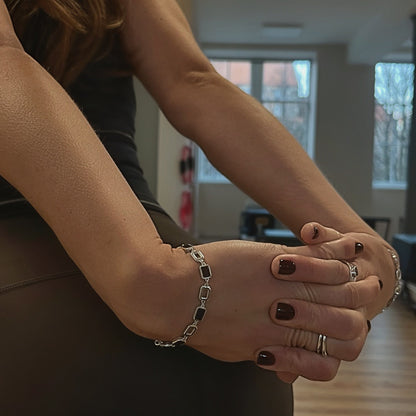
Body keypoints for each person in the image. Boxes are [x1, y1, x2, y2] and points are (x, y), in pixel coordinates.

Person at [0, 1, 400, 415]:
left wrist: (361, 251)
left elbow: (193, 82)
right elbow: (194, 81)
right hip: (180, 295)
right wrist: (150, 281)